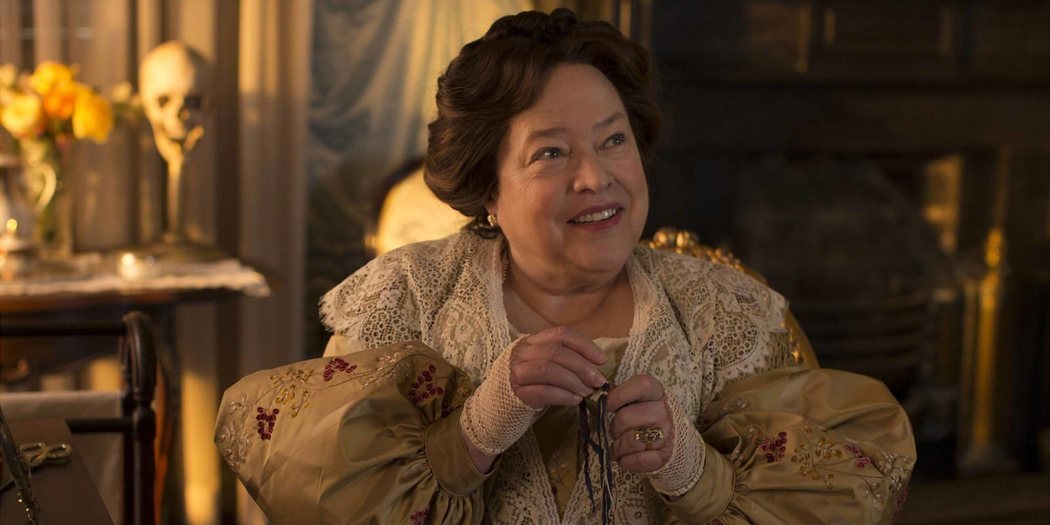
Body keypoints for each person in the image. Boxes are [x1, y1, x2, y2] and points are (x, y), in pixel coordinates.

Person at [216, 8, 915, 524]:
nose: (596, 177)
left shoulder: (725, 314)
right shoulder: (406, 302)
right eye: (551, 153)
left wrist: (692, 470)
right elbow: (328, 500)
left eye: (614, 140)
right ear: (488, 189)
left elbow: (833, 498)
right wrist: (474, 430)